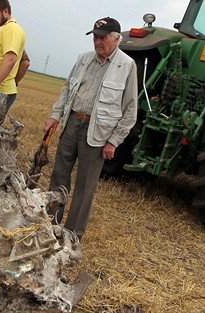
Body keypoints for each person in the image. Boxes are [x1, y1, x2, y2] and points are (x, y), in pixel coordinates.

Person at [43, 17, 138, 240]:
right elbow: (67, 89)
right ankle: (50, 224)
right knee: (59, 175)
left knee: (85, 185)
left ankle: (71, 233)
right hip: (72, 122)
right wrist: (55, 115)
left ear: (116, 39)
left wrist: (114, 140)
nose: (97, 42)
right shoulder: (83, 59)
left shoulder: (127, 65)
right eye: (95, 37)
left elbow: (130, 108)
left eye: (102, 37)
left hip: (97, 132)